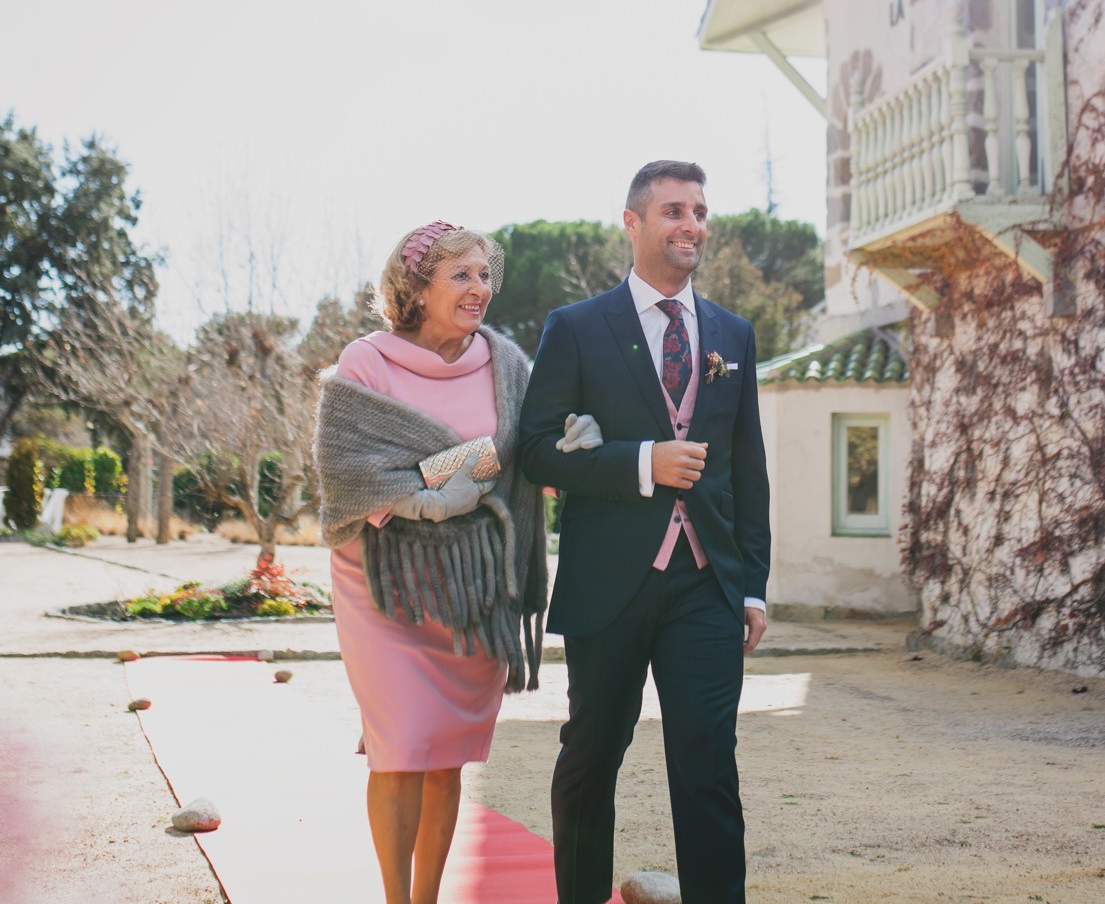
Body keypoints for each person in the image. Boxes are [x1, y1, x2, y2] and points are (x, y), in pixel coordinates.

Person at [315, 220, 596, 904]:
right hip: (384, 587)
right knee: (400, 747)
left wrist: (571, 441)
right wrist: (425, 498)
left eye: (484, 274)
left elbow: (523, 453)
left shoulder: (506, 362)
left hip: (476, 590)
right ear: (417, 287)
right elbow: (347, 471)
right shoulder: (366, 361)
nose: (480, 287)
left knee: (445, 759)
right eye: (461, 275)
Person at [518, 160, 773, 904]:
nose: (692, 224)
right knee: (591, 758)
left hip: (707, 584)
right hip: (610, 584)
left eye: (699, 211)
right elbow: (535, 450)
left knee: (708, 764)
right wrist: (642, 462)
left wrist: (752, 584)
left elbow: (747, 469)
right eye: (674, 211)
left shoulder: (732, 333)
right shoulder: (575, 328)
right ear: (632, 223)